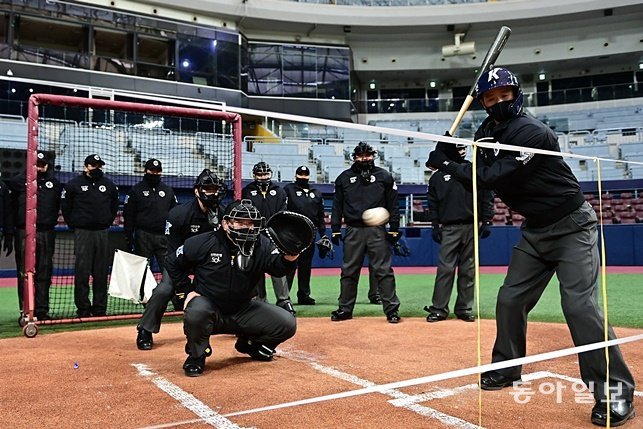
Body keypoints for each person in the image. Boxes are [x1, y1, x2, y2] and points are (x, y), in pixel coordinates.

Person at [426, 67, 635, 427]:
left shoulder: (531, 132)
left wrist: (447, 164)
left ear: (516, 95)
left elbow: (492, 177)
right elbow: (479, 174)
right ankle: (507, 368)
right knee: (510, 299)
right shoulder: (487, 131)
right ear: (484, 104)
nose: (498, 101)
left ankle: (616, 393)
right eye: (490, 98)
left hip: (573, 226)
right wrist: (455, 155)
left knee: (580, 306)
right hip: (536, 232)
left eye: (504, 95)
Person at [165, 199, 298, 377]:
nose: (246, 227)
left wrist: (291, 256)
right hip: (209, 308)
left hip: (243, 309)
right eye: (240, 222)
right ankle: (196, 355)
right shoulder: (204, 242)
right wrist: (186, 291)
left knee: (286, 323)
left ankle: (250, 344)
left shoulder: (261, 244)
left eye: (250, 223)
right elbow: (172, 262)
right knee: (196, 311)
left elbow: (278, 268)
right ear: (225, 224)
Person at [136, 169, 227, 350]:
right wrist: (183, 286)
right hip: (180, 260)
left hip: (207, 263)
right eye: (208, 188)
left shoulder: (224, 215)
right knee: (164, 290)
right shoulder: (179, 214)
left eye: (215, 188)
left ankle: (236, 324)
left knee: (230, 282)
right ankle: (145, 330)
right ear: (197, 191)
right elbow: (172, 253)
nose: (213, 193)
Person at [330, 142, 401, 323]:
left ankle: (392, 310)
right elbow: (337, 205)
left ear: (373, 156)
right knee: (348, 271)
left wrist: (394, 228)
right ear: (354, 157)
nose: (364, 159)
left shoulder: (384, 176)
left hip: (377, 230)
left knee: (384, 271)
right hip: (353, 229)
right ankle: (345, 309)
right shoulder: (343, 178)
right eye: (361, 156)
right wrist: (336, 228)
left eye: (368, 155)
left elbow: (393, 204)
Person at [425, 144, 494, 323]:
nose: (463, 152)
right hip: (449, 227)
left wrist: (487, 220)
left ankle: (464, 308)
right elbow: (432, 203)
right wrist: (434, 225)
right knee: (445, 269)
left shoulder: (473, 170)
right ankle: (439, 309)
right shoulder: (437, 177)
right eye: (459, 149)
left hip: (471, 225)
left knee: (468, 270)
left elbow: (486, 195)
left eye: (463, 149)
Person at [61, 154, 119, 317]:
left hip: (102, 232)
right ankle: (84, 308)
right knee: (82, 272)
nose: (97, 168)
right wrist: (74, 223)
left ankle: (100, 308)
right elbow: (66, 206)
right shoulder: (74, 185)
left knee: (101, 272)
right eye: (94, 165)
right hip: (83, 232)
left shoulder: (109, 185)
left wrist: (107, 221)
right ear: (86, 167)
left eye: (99, 165)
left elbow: (114, 206)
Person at [8, 151, 62, 320]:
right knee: (24, 272)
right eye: (36, 164)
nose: (39, 167)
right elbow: (9, 209)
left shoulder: (54, 183)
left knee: (45, 271)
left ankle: (42, 310)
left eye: (42, 164)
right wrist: (9, 232)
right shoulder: (17, 182)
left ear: (47, 165)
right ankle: (25, 310)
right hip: (24, 231)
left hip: (46, 231)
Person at [242, 161, 295, 314]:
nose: (263, 177)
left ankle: (284, 301)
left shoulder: (279, 191)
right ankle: (260, 301)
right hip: (254, 236)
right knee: (256, 268)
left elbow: (283, 213)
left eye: (266, 174)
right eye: (260, 174)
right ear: (254, 175)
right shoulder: (247, 191)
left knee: (278, 266)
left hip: (274, 236)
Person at [123, 159, 177, 274]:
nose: (155, 173)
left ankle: (169, 292)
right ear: (145, 171)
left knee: (168, 269)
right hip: (143, 236)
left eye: (158, 171)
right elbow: (128, 214)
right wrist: (128, 236)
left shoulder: (167, 190)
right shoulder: (136, 190)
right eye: (152, 170)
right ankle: (144, 292)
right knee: (143, 270)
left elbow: (175, 212)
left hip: (163, 236)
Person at [283, 165, 326, 305]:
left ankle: (304, 295)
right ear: (295, 175)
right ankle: (284, 296)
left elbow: (320, 215)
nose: (302, 177)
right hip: (293, 235)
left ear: (309, 176)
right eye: (300, 174)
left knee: (305, 267)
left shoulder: (316, 192)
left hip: (309, 235)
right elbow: (283, 211)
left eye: (305, 174)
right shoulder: (288, 190)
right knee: (289, 265)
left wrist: (323, 234)